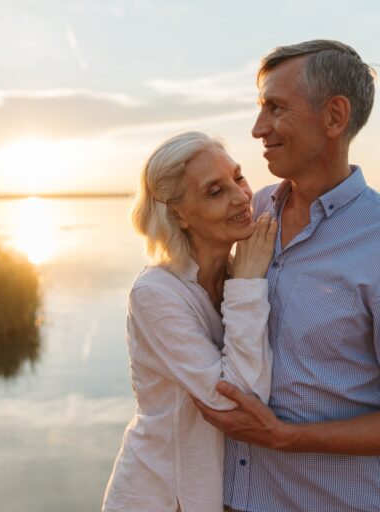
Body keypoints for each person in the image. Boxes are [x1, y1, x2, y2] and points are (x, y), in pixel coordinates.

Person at [193, 40, 380, 511]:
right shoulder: (250, 211)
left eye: (276, 109)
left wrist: (287, 437)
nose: (258, 128)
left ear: (334, 117)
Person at [101, 131, 277, 512]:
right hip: (160, 495)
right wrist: (248, 283)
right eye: (215, 191)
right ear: (177, 213)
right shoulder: (156, 293)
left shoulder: (235, 274)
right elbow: (236, 403)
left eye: (238, 177)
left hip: (219, 495)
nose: (241, 196)